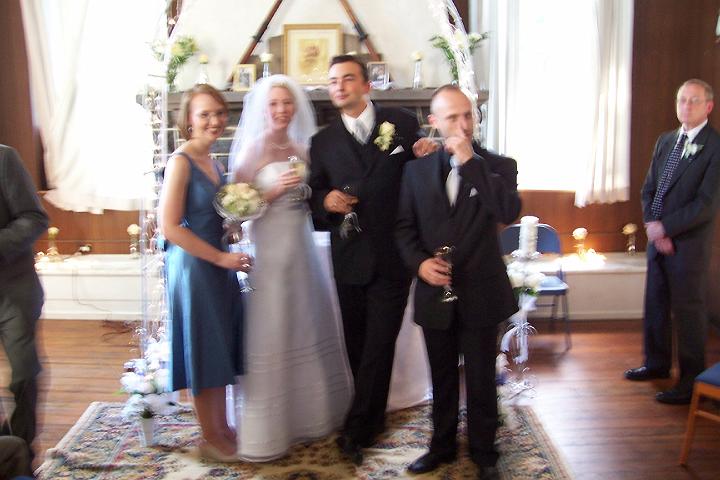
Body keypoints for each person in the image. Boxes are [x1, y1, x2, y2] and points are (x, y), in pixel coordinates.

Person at [308, 55, 436, 464]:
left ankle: (355, 431)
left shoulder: (402, 123)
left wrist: (427, 154)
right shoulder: (322, 142)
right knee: (358, 346)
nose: (340, 87)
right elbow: (313, 195)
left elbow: (422, 175)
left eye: (348, 79)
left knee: (380, 343)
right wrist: (324, 200)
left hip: (393, 255)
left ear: (366, 85)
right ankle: (373, 417)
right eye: (333, 81)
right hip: (349, 257)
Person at [395, 85, 521, 478]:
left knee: (482, 378)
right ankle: (442, 446)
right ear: (434, 122)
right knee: (443, 376)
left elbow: (508, 210)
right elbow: (403, 228)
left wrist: (471, 164)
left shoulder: (499, 165)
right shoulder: (415, 171)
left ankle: (484, 453)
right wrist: (420, 264)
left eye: (469, 115)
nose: (464, 125)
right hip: (435, 293)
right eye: (453, 117)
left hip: (482, 289)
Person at [229, 74, 354, 461]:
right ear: (263, 110)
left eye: (287, 103)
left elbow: (316, 198)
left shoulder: (303, 149)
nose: (281, 110)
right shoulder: (252, 150)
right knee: (273, 326)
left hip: (300, 250)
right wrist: (271, 192)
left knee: (305, 322)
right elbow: (235, 214)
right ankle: (269, 428)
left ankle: (310, 415)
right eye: (274, 104)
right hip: (269, 253)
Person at [159, 84, 250, 462]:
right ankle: (209, 436)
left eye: (219, 113)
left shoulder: (214, 162)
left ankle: (222, 426)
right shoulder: (180, 162)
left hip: (217, 259)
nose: (214, 121)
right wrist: (220, 258)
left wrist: (232, 227)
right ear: (188, 120)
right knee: (202, 345)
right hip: (194, 265)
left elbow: (213, 215)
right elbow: (170, 227)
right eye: (204, 114)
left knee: (218, 343)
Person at [626, 79, 720, 405]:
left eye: (694, 101)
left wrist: (666, 229)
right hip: (658, 241)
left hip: (688, 246)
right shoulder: (666, 140)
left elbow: (705, 205)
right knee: (655, 304)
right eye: (682, 100)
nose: (686, 106)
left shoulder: (715, 146)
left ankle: (691, 381)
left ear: (709, 106)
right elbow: (649, 189)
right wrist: (653, 227)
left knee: (688, 313)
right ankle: (656, 363)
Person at [0, 144, 47, 461]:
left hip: (13, 289)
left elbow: (34, 218)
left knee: (24, 373)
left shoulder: (4, 158)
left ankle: (20, 450)